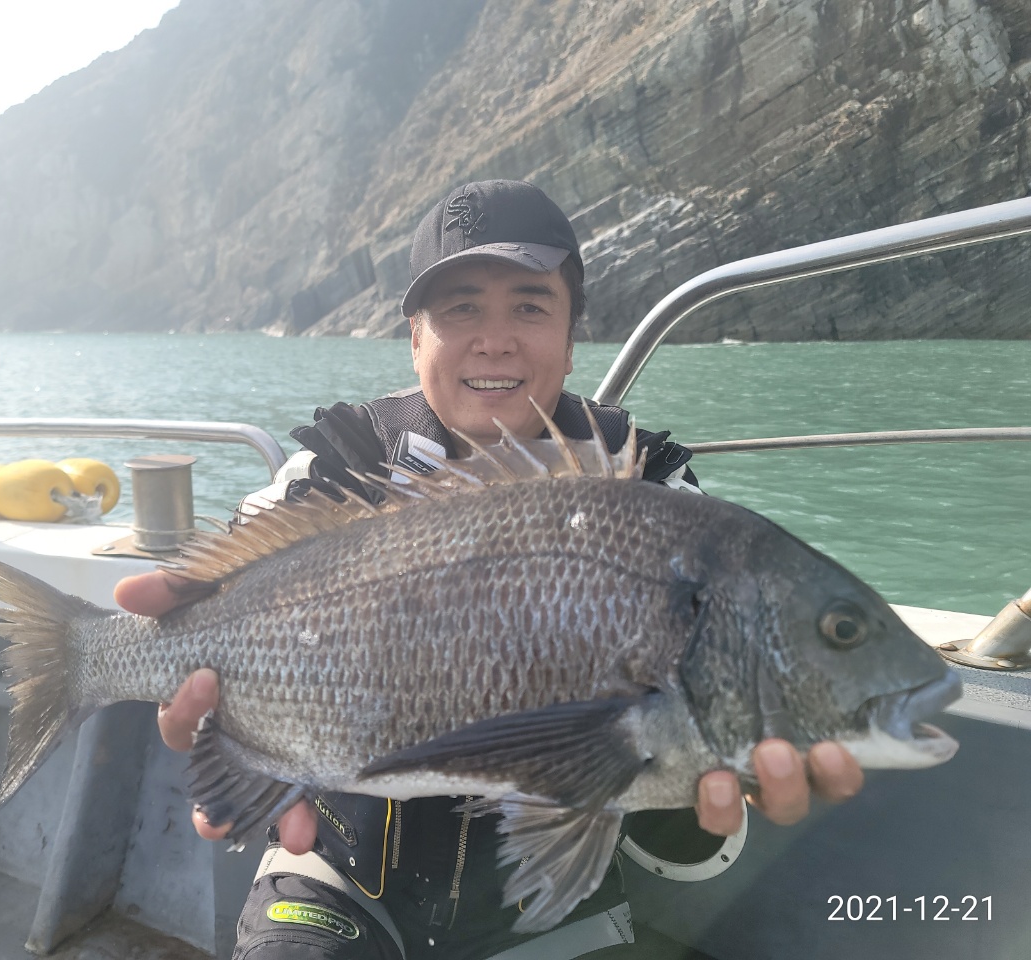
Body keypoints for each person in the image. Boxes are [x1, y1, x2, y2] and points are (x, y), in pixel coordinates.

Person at [115, 180, 866, 959]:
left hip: (554, 913)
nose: (495, 340)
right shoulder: (329, 474)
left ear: (571, 338)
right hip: (333, 879)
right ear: (415, 337)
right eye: (461, 308)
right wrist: (210, 718)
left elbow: (687, 773)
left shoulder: (656, 497)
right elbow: (214, 625)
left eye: (530, 307)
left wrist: (719, 773)